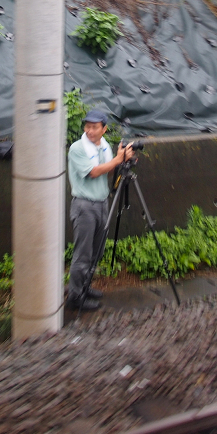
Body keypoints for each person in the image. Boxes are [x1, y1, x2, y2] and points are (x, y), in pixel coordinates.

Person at [66, 109, 133, 311]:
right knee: (83, 254)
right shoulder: (77, 148)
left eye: (94, 127)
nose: (90, 131)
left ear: (104, 129)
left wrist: (123, 158)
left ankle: (85, 287)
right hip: (84, 206)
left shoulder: (104, 145)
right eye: (87, 126)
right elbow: (94, 172)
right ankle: (75, 297)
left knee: (97, 251)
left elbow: (109, 168)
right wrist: (117, 160)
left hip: (102, 203)